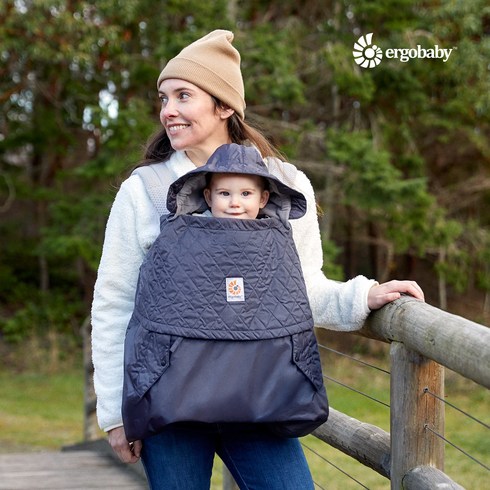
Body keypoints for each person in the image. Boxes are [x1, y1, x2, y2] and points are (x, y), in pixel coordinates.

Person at [91, 29, 424, 489]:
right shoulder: (144, 192)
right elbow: (113, 304)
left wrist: (364, 294)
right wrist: (113, 413)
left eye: (183, 96)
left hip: (259, 396)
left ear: (225, 106)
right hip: (170, 402)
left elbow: (302, 288)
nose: (167, 110)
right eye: (163, 97)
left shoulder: (283, 183)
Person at [202, 171, 269, 219]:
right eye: (225, 193)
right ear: (209, 198)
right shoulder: (197, 225)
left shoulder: (271, 232)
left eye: (245, 193)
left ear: (262, 199)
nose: (234, 203)